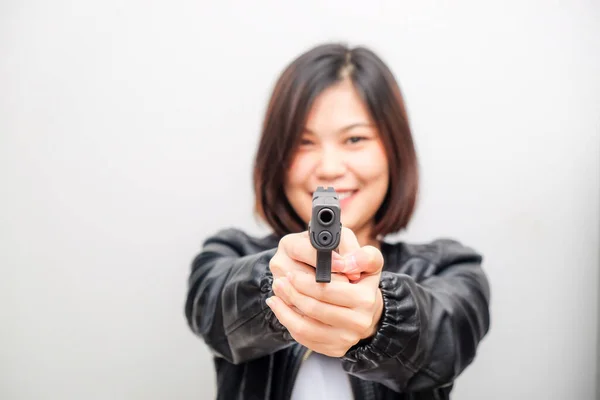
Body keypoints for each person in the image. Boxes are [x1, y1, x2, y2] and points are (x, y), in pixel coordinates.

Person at [184, 42, 491, 400]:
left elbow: (445, 341)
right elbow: (214, 309)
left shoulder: (450, 268)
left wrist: (381, 316)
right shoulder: (228, 253)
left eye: (355, 139)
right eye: (303, 142)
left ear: (394, 151)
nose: (329, 168)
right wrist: (278, 281)